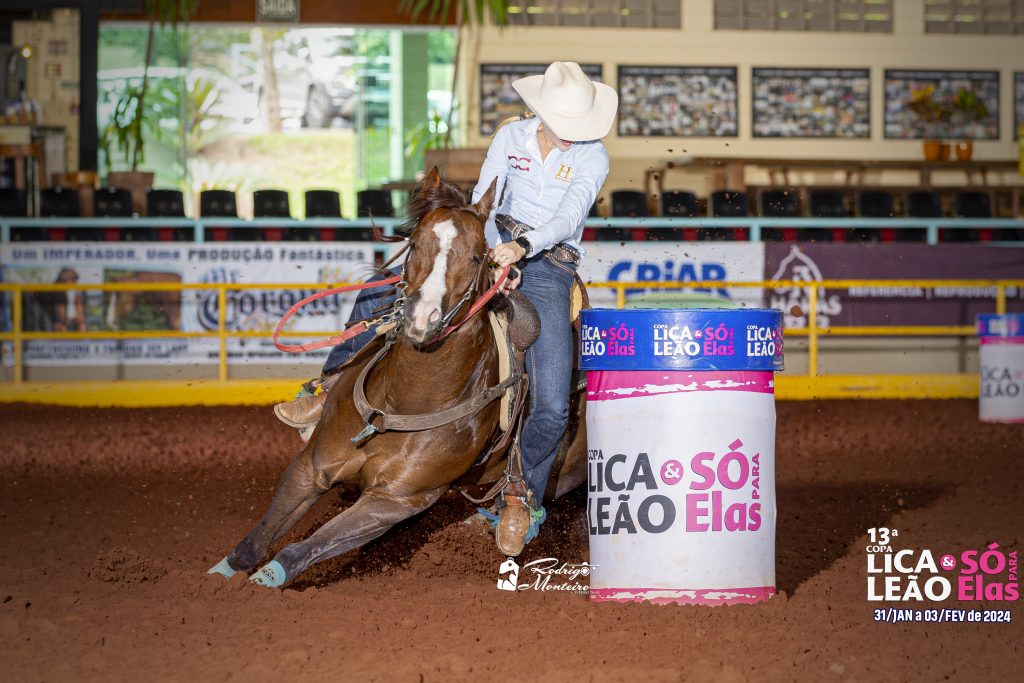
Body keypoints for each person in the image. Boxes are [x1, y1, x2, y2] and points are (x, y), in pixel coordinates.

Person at [275, 61, 618, 556]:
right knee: (381, 287)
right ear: (541, 114)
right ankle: (326, 388)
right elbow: (485, 198)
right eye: (564, 128)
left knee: (552, 402)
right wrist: (485, 249)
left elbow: (570, 215)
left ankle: (521, 494)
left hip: (547, 264)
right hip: (486, 246)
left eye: (577, 130)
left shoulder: (593, 158)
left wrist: (522, 250)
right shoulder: (511, 139)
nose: (571, 138)